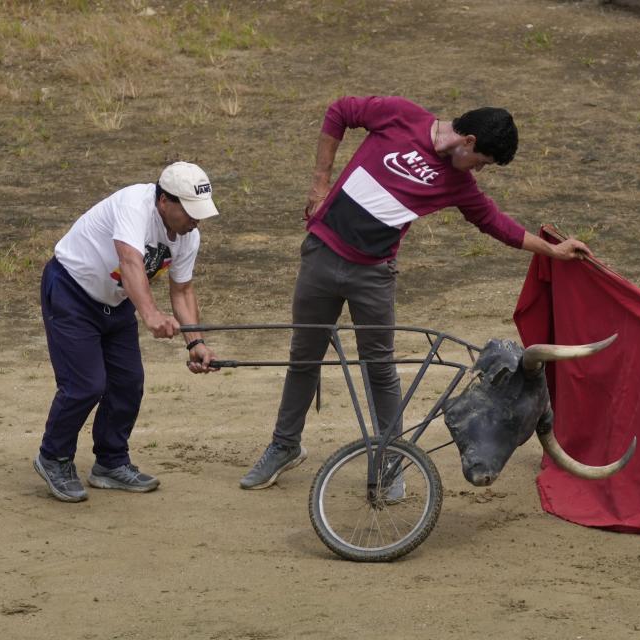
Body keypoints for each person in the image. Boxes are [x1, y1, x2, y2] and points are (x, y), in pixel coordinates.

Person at [239, 96, 591, 490]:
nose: (480, 171)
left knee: (380, 367)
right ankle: (285, 445)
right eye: (482, 162)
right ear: (468, 141)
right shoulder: (401, 116)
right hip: (322, 254)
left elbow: (494, 223)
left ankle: (390, 462)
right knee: (304, 356)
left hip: (372, 275)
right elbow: (340, 111)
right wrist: (320, 180)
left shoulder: (459, 184)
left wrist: (553, 251)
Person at [34, 161, 220, 503]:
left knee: (128, 383)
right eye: (190, 211)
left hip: (117, 304)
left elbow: (182, 291)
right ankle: (53, 457)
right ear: (165, 201)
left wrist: (196, 342)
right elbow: (131, 260)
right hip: (71, 292)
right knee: (85, 385)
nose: (196, 220)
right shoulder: (135, 205)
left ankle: (110, 462)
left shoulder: (188, 236)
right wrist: (150, 314)